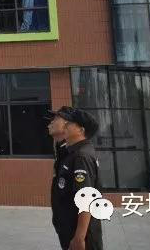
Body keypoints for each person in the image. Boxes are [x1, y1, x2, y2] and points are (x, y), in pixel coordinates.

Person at [49, 107, 103, 250]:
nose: (65, 126)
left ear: (81, 130)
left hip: (81, 235)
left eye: (69, 124)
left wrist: (79, 238)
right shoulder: (74, 152)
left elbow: (86, 200)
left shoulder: (81, 156)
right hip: (70, 229)